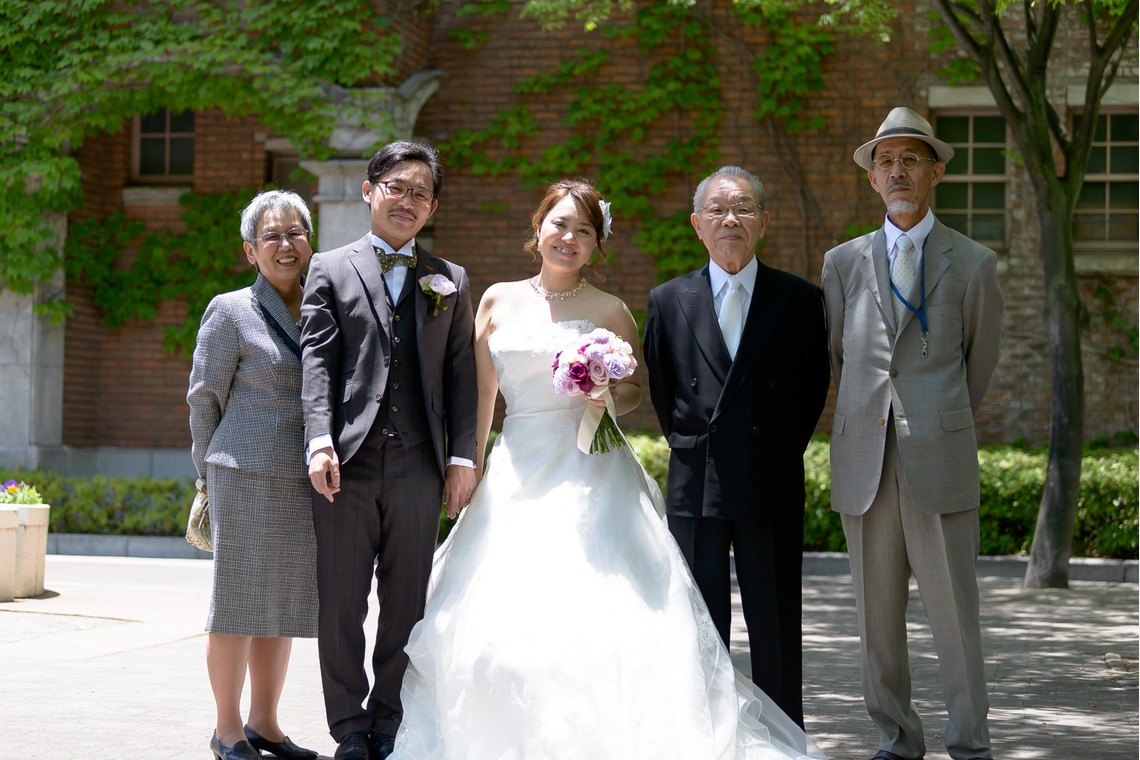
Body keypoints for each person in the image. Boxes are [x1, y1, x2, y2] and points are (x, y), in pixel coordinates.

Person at [389, 178, 823, 760]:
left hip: (589, 470)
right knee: (502, 619)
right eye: (560, 224)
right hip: (517, 473)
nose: (569, 238)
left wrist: (604, 391)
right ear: (539, 227)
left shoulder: (611, 309)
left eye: (584, 231)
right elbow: (482, 396)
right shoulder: (495, 299)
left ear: (597, 243)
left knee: (605, 616)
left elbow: (640, 390)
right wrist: (466, 463)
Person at [821, 107, 1003, 760]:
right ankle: (896, 739)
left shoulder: (974, 263)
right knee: (876, 619)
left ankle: (969, 743)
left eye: (910, 160)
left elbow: (978, 363)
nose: (897, 171)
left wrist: (937, 418)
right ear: (872, 179)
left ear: (936, 172)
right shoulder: (841, 263)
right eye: (885, 161)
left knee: (955, 617)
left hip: (939, 458)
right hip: (864, 461)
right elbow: (836, 359)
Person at [300, 140, 479, 760]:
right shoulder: (329, 268)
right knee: (341, 602)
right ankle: (349, 727)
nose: (408, 200)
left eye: (421, 192)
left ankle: (390, 721)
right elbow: (317, 362)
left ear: (433, 207)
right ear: (369, 191)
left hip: (419, 463)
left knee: (407, 603)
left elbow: (461, 375)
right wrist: (319, 441)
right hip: (345, 463)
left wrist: (462, 458)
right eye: (397, 187)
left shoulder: (450, 278)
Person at [643, 166, 830, 727]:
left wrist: (772, 450)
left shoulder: (799, 299)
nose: (731, 219)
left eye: (744, 208)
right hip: (695, 479)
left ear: (764, 222)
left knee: (775, 624)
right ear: (696, 224)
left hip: (770, 480)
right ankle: (706, 734)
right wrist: (695, 444)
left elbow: (811, 390)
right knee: (700, 625)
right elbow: (664, 391)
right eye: (718, 209)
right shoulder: (667, 300)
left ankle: (784, 737)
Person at [187, 190, 320, 760]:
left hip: (303, 476)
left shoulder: (324, 306)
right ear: (250, 250)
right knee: (238, 600)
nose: (285, 244)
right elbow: (204, 398)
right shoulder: (230, 309)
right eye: (272, 235)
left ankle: (265, 724)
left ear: (309, 241)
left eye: (295, 232)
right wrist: (206, 475)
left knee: (282, 601)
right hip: (242, 472)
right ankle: (227, 730)